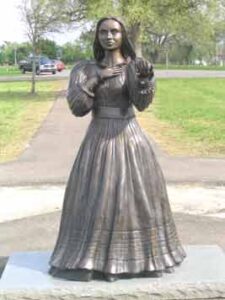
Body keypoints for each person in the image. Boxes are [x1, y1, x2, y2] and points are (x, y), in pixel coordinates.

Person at [49, 17, 186, 282]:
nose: (109, 36)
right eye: (103, 31)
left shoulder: (134, 67)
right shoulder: (84, 69)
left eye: (114, 31)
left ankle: (145, 256)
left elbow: (142, 103)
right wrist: (96, 79)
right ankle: (89, 257)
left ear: (123, 35)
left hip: (130, 137)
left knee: (137, 199)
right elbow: (78, 108)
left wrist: (145, 79)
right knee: (94, 198)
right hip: (98, 137)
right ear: (97, 36)